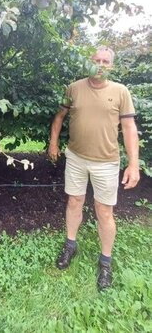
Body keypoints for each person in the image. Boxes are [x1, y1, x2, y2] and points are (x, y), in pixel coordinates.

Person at [48, 46, 140, 290]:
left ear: (112, 65)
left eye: (106, 61)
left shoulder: (121, 92)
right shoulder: (74, 88)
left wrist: (133, 163)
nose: (100, 64)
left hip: (106, 163)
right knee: (74, 202)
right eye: (96, 60)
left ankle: (105, 262)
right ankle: (70, 245)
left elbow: (130, 128)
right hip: (76, 158)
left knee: (104, 212)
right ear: (88, 62)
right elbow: (59, 117)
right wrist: (53, 142)